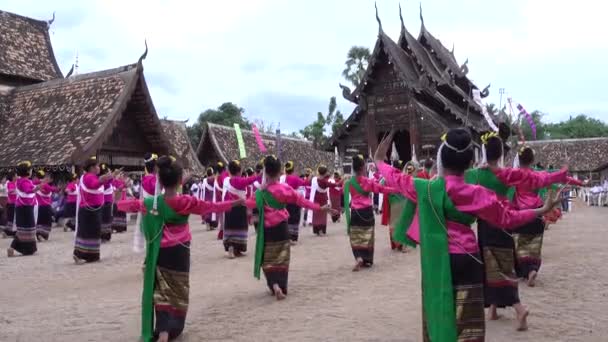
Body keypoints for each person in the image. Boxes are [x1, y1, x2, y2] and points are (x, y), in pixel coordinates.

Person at [374, 129, 562, 342]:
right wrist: (540, 210)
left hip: (439, 261)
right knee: (468, 323)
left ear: (441, 158)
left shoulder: (425, 188)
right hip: (469, 258)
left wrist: (380, 160)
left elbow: (396, 177)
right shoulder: (476, 193)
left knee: (440, 307)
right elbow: (508, 217)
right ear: (470, 161)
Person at [117, 156, 240, 342]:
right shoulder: (186, 202)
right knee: (178, 290)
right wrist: (236, 202)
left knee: (161, 292)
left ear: (160, 180)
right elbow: (212, 206)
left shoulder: (152, 204)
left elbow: (124, 205)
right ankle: (171, 329)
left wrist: (119, 190)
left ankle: (163, 331)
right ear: (179, 181)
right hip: (180, 251)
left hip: (160, 252)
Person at [249, 155, 330, 300]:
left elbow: (249, 204)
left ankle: (274, 285)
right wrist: (320, 207)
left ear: (265, 172)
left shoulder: (260, 193)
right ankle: (281, 285)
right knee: (282, 260)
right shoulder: (285, 189)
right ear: (280, 171)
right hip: (282, 228)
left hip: (268, 231)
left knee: (267, 260)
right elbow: (302, 202)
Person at [511, 146, 581, 286]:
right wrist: (566, 168)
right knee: (535, 246)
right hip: (538, 212)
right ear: (532, 160)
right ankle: (532, 270)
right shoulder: (538, 175)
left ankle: (524, 272)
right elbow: (557, 176)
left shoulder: (514, 175)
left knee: (520, 246)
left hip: (520, 214)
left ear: (518, 159)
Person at [344, 155, 395, 271]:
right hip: (367, 212)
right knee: (368, 236)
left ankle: (358, 258)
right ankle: (367, 260)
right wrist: (396, 189)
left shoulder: (348, 183)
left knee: (355, 237)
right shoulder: (368, 181)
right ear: (363, 168)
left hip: (356, 212)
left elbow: (346, 203)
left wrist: (347, 221)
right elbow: (382, 189)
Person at [73, 157, 121, 264]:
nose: (98, 168)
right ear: (91, 168)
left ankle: (91, 256)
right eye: (97, 166)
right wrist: (107, 176)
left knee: (93, 233)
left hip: (94, 210)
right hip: (88, 211)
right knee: (85, 233)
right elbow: (95, 184)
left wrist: (110, 176)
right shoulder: (88, 177)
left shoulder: (93, 176)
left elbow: (102, 182)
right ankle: (78, 255)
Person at [7, 161, 47, 257]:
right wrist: (38, 187)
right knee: (26, 228)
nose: (31, 171)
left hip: (25, 207)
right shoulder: (23, 181)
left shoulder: (25, 181)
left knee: (26, 228)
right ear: (26, 171)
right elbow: (28, 190)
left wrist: (39, 185)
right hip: (24, 208)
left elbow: (32, 187)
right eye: (30, 169)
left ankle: (28, 249)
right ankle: (14, 247)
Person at [222, 160, 258, 258]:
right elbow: (252, 179)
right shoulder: (240, 181)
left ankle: (230, 246)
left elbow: (224, 173)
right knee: (239, 227)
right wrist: (261, 174)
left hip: (228, 208)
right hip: (239, 208)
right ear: (239, 171)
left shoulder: (225, 180)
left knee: (229, 227)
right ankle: (237, 248)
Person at [279, 161, 310, 244]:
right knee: (295, 218)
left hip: (285, 201)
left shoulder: (282, 178)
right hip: (295, 201)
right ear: (293, 169)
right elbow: (305, 183)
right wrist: (310, 177)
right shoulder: (295, 178)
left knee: (287, 218)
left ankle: (286, 236)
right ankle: (293, 237)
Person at [307, 165, 339, 236]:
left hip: (315, 198)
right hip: (323, 198)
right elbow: (334, 185)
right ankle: (321, 230)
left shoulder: (314, 179)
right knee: (322, 215)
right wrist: (342, 181)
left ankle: (317, 230)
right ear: (325, 173)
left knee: (316, 214)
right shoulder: (324, 181)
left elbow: (308, 182)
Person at [34, 170, 58, 242]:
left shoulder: (36, 184)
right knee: (46, 221)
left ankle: (40, 235)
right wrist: (58, 188)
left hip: (40, 206)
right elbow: (53, 189)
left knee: (40, 221)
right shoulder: (45, 185)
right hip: (45, 207)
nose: (47, 179)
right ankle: (42, 235)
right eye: (46, 177)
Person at [100, 164, 114, 242]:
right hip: (103, 201)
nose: (108, 173)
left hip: (108, 201)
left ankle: (106, 235)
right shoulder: (103, 181)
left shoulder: (108, 180)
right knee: (104, 219)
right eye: (107, 172)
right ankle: (103, 235)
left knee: (107, 219)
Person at [2, 172, 17, 238]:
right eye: (16, 175)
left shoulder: (15, 183)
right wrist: (16, 190)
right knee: (11, 218)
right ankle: (7, 232)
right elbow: (9, 191)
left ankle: (11, 232)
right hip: (11, 203)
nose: (17, 177)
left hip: (15, 203)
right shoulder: (10, 183)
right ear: (13, 177)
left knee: (13, 218)